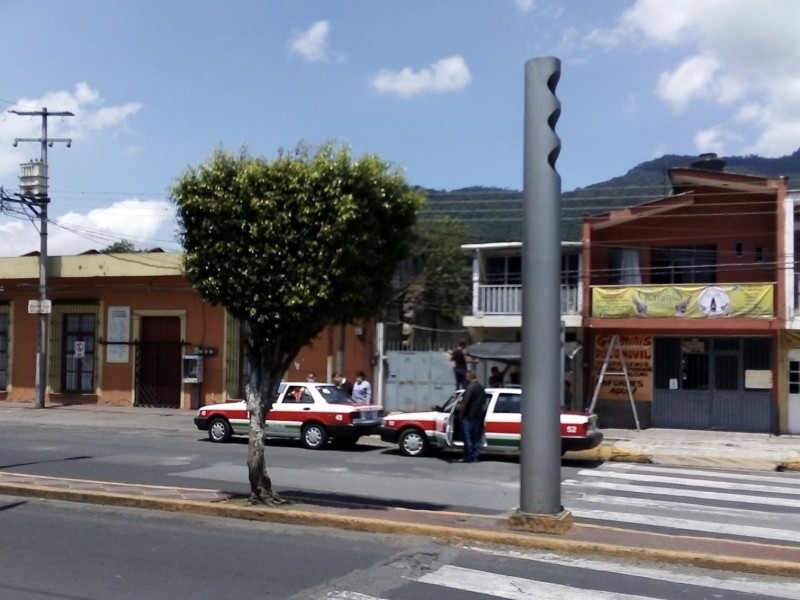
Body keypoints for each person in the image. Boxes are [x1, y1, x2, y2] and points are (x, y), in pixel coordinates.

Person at [457, 370, 486, 463]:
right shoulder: (481, 388)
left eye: (466, 377)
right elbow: (483, 402)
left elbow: (464, 403)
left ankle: (468, 457)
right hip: (478, 417)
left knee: (467, 438)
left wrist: (460, 415)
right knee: (476, 438)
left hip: (468, 416)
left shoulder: (470, 388)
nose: (465, 378)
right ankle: (475, 456)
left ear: (469, 377)